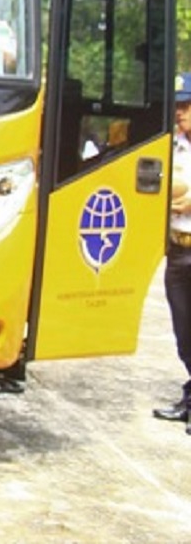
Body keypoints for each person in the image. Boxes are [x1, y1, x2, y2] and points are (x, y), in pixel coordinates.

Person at [154, 71, 191, 433]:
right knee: (184, 331)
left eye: (186, 105)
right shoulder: (173, 147)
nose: (180, 112)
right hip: (178, 251)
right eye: (177, 106)